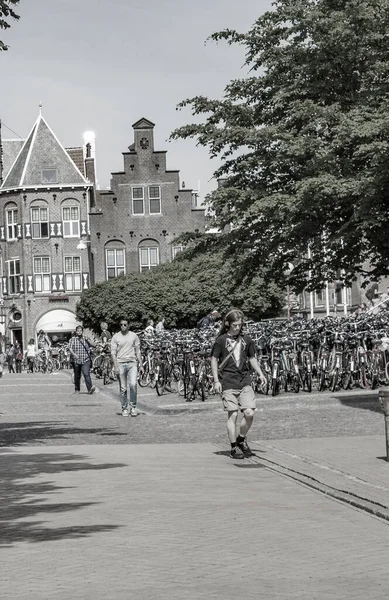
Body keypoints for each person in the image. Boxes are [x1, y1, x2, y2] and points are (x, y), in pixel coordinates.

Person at [211, 308, 267, 460]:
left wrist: (260, 373)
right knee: (233, 413)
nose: (237, 327)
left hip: (244, 380)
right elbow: (214, 359)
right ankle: (234, 446)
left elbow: (252, 358)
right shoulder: (221, 340)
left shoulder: (246, 339)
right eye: (235, 325)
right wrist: (216, 380)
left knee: (249, 413)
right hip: (227, 381)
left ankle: (241, 439)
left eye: (240, 325)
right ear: (228, 323)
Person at [111, 317, 143, 417]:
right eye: (121, 325)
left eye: (125, 324)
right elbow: (113, 353)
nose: (123, 326)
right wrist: (115, 366)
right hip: (120, 363)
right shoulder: (116, 337)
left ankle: (133, 407)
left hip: (132, 363)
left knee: (133, 385)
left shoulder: (134, 336)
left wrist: (141, 364)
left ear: (128, 325)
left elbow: (138, 351)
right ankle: (124, 408)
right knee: (123, 388)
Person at [68, 325, 96, 394]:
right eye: (78, 331)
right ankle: (77, 389)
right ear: (76, 331)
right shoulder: (73, 339)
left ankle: (90, 388)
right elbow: (70, 348)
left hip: (86, 359)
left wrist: (88, 340)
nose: (79, 332)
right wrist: (74, 355)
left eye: (81, 330)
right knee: (77, 375)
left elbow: (94, 345)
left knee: (86, 373)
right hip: (77, 360)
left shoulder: (85, 338)